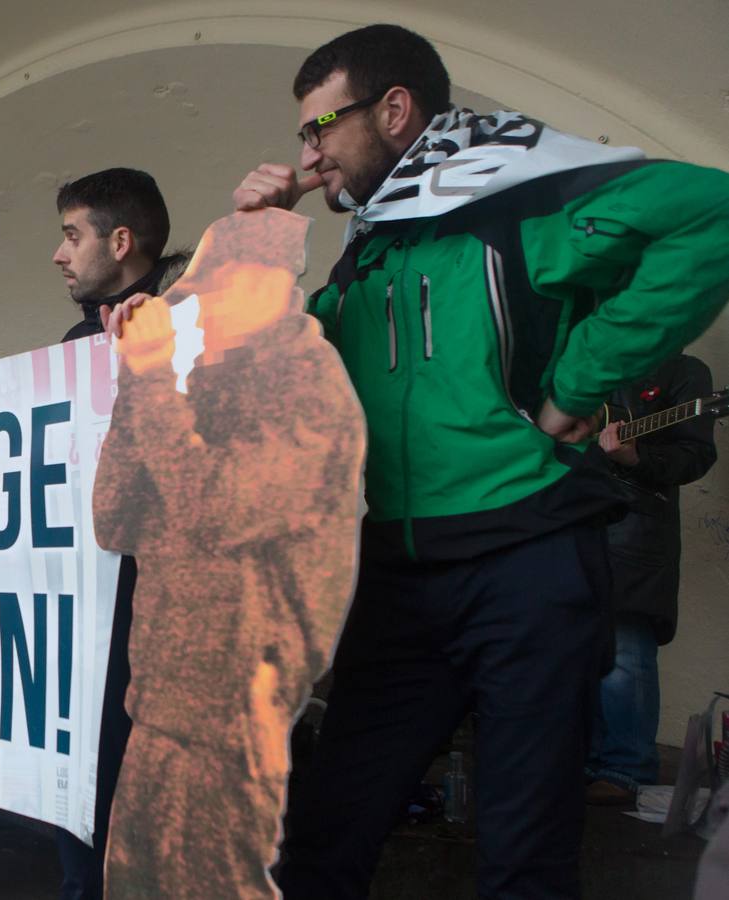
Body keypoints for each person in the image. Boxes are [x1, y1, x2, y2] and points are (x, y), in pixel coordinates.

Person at [230, 23, 729, 898]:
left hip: (527, 560)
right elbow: (254, 370)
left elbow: (711, 215)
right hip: (395, 572)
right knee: (321, 835)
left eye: (319, 126)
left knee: (520, 851)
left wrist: (577, 385)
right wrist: (258, 240)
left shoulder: (520, 204)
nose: (306, 151)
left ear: (393, 109)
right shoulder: (367, 247)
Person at [94, 210, 363, 898]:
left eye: (212, 293)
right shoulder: (191, 390)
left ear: (271, 287)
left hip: (231, 720)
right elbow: (113, 520)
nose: (198, 312)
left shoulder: (307, 391)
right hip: (159, 701)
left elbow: (210, 507)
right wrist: (135, 380)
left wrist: (153, 380)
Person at [47, 167, 186, 900]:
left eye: (73, 235)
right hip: (95, 604)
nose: (59, 254)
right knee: (88, 777)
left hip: (178, 613)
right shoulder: (77, 339)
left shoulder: (207, 313)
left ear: (121, 240)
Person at [587, 356, 718, 803]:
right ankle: (581, 759)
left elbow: (696, 455)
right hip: (574, 518)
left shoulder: (684, 373)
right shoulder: (586, 359)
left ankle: (626, 766)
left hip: (636, 528)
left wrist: (635, 456)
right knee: (573, 645)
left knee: (625, 648)